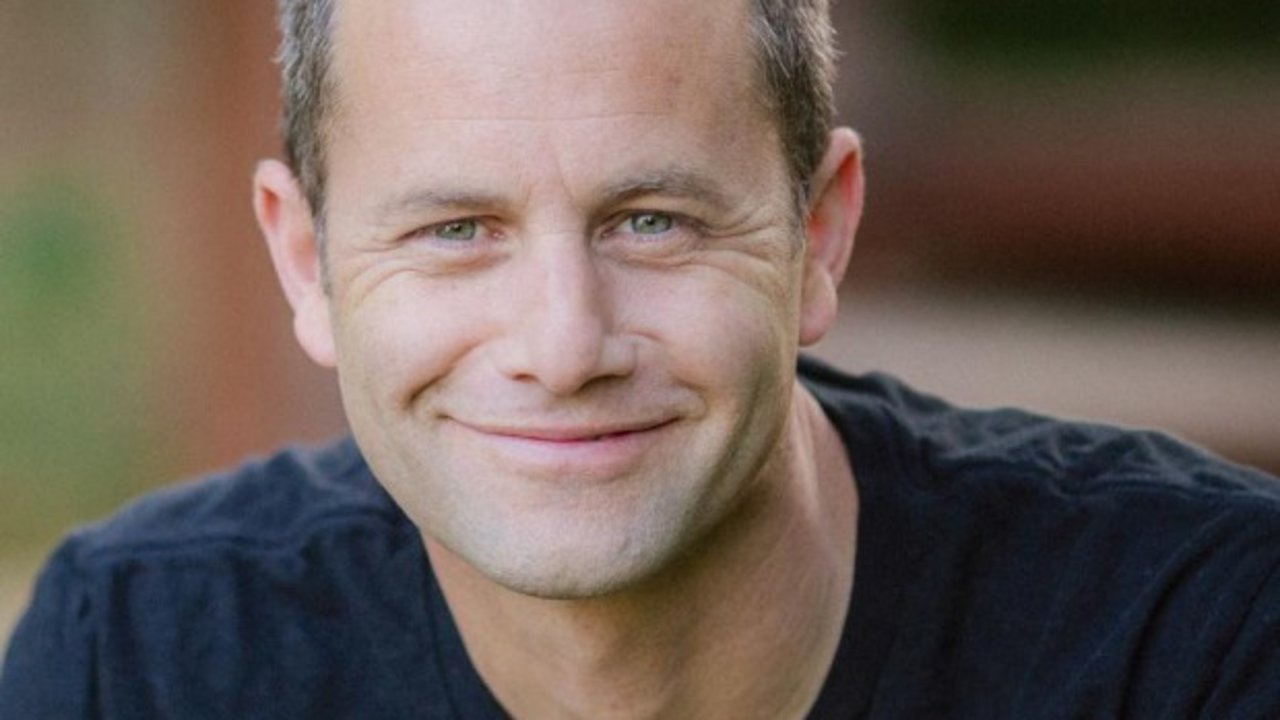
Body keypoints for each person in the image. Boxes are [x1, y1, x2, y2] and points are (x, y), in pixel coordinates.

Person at [3, 0, 1278, 717]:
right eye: (455, 231)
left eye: (651, 221)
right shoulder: (139, 662)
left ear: (817, 235)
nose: (563, 347)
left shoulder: (1197, 644)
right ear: (305, 262)